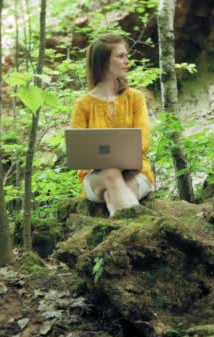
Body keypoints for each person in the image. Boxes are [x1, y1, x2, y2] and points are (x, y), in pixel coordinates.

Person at [70, 33, 154, 217]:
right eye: (121, 56)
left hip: (137, 172)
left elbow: (143, 142)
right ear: (103, 62)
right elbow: (79, 152)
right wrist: (112, 162)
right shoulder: (83, 104)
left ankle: (126, 230)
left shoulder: (135, 98)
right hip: (96, 178)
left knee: (112, 192)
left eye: (126, 55)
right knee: (110, 172)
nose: (127, 61)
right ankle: (139, 228)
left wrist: (115, 161)